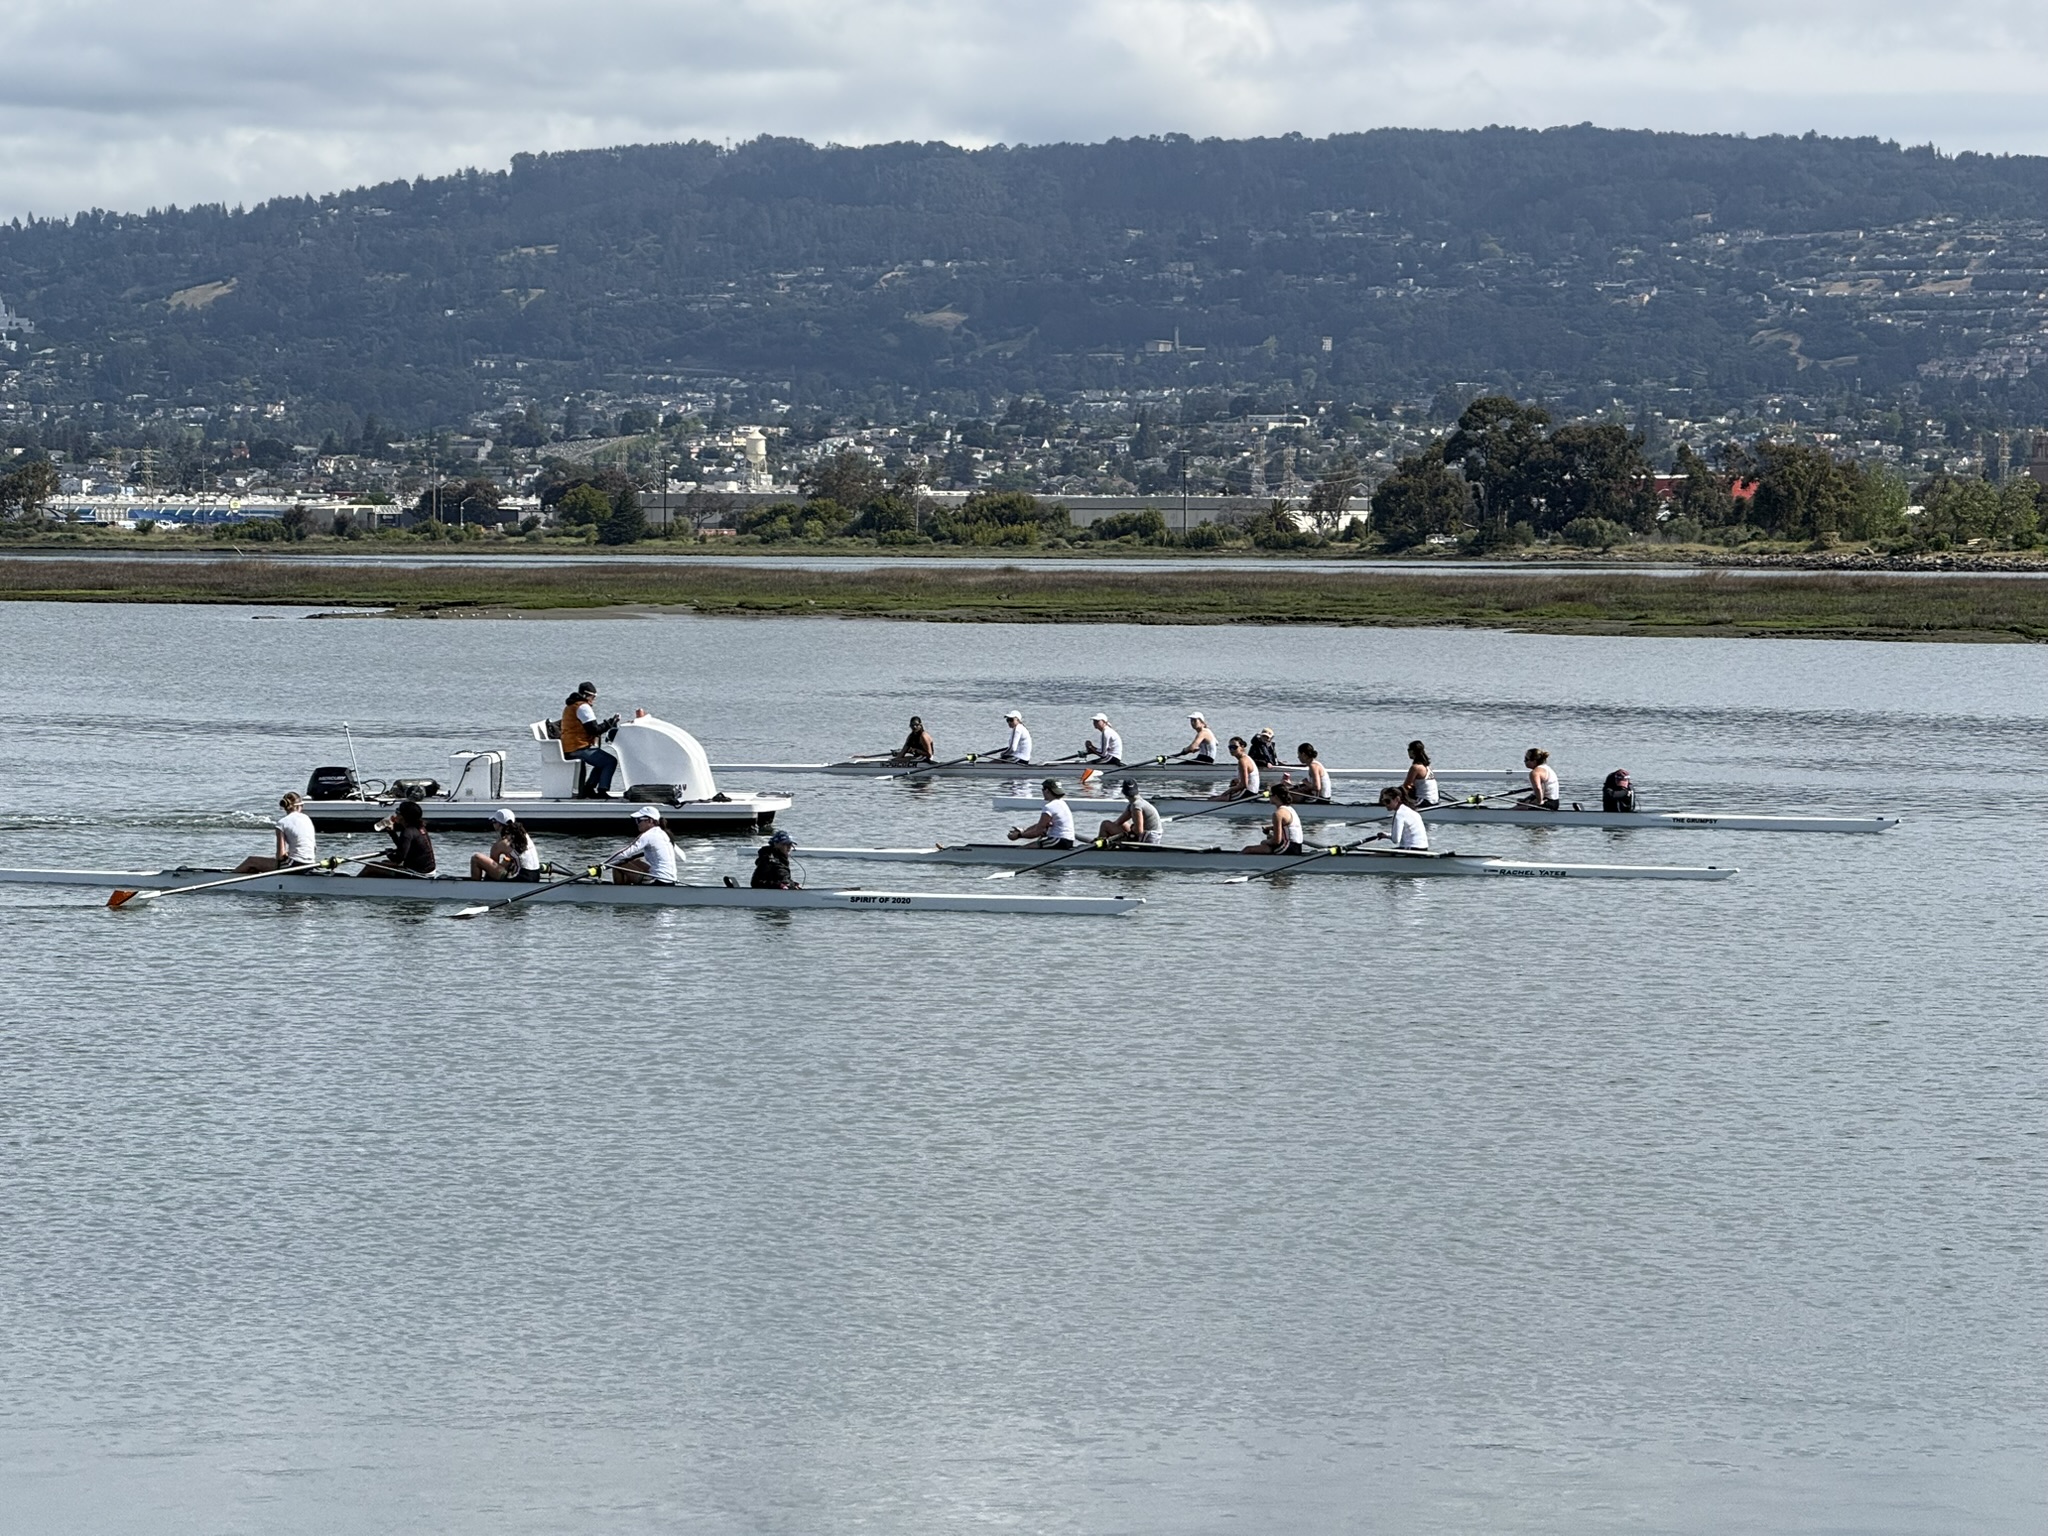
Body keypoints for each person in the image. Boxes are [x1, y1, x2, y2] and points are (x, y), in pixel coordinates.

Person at [559, 683, 621, 798]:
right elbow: (594, 730)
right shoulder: (583, 707)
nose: (593, 700)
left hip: (569, 746)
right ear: (585, 695)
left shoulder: (571, 706)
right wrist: (610, 723)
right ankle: (602, 790)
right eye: (592, 697)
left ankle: (589, 788)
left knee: (601, 762)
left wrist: (608, 723)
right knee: (610, 761)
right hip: (577, 747)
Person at [234, 791, 317, 874]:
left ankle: (227, 879)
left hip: (294, 866)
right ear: (300, 806)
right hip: (310, 864)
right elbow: (313, 848)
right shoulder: (307, 819)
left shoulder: (282, 823)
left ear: (285, 807)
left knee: (251, 861)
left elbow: (280, 856)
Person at [362, 798, 436, 877]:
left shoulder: (407, 832)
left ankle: (353, 886)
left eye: (398, 812)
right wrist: (392, 832)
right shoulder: (420, 828)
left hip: (418, 873)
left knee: (370, 866)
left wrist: (389, 853)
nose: (396, 815)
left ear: (403, 817)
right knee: (384, 862)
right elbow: (404, 847)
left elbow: (398, 859)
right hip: (429, 871)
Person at [606, 806, 679, 885]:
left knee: (618, 863)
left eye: (639, 820)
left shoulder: (648, 835)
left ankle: (619, 893)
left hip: (659, 882)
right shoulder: (663, 834)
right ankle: (627, 888)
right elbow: (682, 858)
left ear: (650, 820)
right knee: (634, 861)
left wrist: (601, 865)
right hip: (671, 880)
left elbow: (624, 853)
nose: (637, 824)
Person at [469, 807, 541, 882]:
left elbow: (491, 871)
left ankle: (475, 888)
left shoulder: (501, 843)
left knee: (476, 858)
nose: (493, 824)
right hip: (535, 876)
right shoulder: (523, 835)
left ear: (500, 824)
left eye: (494, 821)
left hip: (521, 878)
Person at [1007, 779, 1077, 848]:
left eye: (1043, 789)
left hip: (1059, 840)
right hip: (1067, 840)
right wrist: (1023, 831)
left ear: (1046, 790)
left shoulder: (1049, 807)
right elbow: (1039, 826)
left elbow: (1037, 832)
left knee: (1021, 850)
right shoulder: (1062, 803)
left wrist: (1019, 835)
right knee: (1028, 848)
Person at [1244, 783, 1307, 855]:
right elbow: (1288, 828)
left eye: (1270, 795)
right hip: (1296, 848)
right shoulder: (1290, 809)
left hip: (1286, 848)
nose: (1269, 797)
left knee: (1247, 850)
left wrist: (1264, 842)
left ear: (1276, 796)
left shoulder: (1278, 814)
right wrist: (1270, 828)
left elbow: (1276, 841)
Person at [1096, 778, 1163, 845]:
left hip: (1148, 838)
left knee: (1105, 824)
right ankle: (1103, 842)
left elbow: (1139, 831)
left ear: (1123, 792)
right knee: (1123, 824)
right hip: (1150, 836)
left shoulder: (1136, 806)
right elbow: (1118, 822)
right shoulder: (1137, 803)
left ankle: (1100, 847)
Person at [1367, 785, 1430, 850]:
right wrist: (1386, 835)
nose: (1385, 804)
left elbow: (1396, 840)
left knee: (1375, 855)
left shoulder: (1399, 814)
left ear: (1397, 799)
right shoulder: (1411, 811)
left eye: (1387, 801)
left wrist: (1390, 836)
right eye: (1384, 801)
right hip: (1423, 848)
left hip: (1412, 849)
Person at [1216, 735, 1262, 801]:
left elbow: (1244, 785)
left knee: (1214, 799)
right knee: (1214, 797)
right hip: (1251, 793)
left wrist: (1230, 790)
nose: (1231, 750)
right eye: (1230, 747)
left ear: (1242, 747)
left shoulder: (1243, 761)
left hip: (1247, 794)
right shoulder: (1246, 758)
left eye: (1234, 747)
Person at [1401, 740, 1440, 807]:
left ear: (1413, 751)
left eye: (1408, 750)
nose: (1408, 752)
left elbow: (1406, 786)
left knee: (1393, 798)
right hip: (1435, 800)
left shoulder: (1416, 767)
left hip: (1425, 801)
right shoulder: (1427, 766)